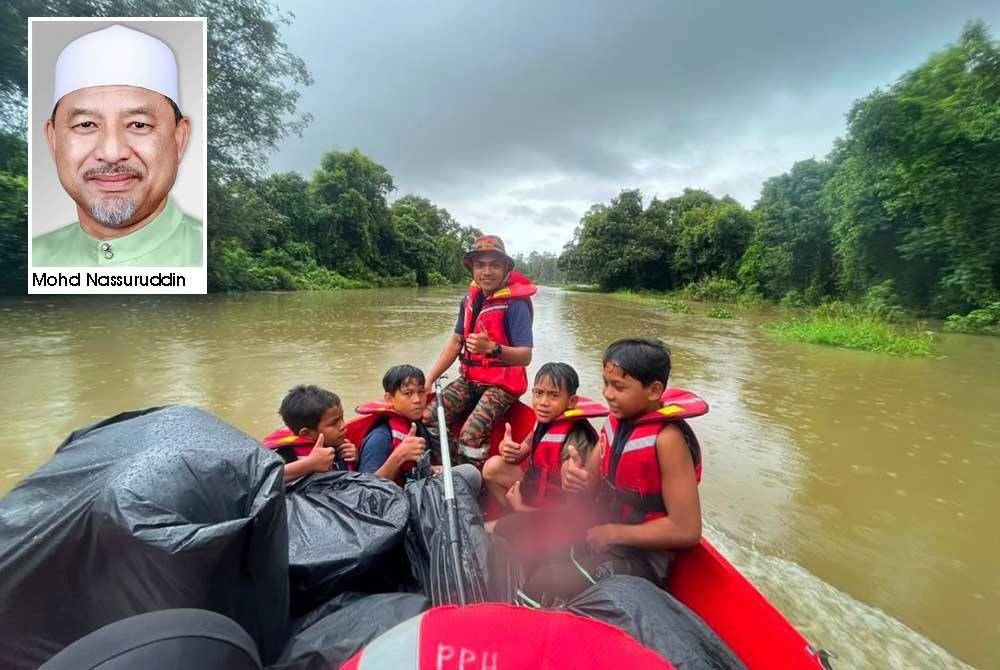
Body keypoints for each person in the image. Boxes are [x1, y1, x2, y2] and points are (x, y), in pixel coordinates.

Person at [518, 338, 705, 603]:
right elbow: (587, 486)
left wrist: (614, 533)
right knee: (521, 541)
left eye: (618, 387)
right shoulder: (616, 422)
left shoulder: (668, 439)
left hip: (641, 557)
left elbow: (686, 529)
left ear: (653, 391)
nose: (607, 394)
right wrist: (575, 478)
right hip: (603, 531)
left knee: (544, 581)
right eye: (606, 383)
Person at [33, 24, 202, 267]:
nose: (112, 153)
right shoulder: (30, 261)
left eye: (138, 125)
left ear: (179, 139)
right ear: (53, 140)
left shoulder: (207, 259)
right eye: (86, 124)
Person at [423, 235, 536, 464]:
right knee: (430, 416)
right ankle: (450, 469)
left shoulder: (516, 305)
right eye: (480, 265)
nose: (486, 271)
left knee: (470, 434)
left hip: (502, 385)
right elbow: (456, 342)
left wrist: (493, 349)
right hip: (470, 379)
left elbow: (525, 356)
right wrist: (430, 379)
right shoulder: (469, 300)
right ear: (472, 269)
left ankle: (472, 482)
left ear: (506, 269)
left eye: (494, 265)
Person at [482, 362, 605, 513]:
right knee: (492, 466)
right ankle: (513, 518)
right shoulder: (543, 422)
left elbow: (575, 510)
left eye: (554, 395)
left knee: (488, 529)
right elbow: (520, 453)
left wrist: (522, 509)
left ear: (571, 402)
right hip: (538, 488)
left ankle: (518, 518)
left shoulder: (575, 442)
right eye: (539, 393)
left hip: (558, 513)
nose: (543, 403)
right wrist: (508, 450)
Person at [357, 364, 483, 493]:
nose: (417, 400)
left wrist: (431, 469)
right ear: (389, 399)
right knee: (469, 473)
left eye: (421, 392)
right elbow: (366, 491)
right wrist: (398, 457)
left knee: (467, 475)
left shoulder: (416, 424)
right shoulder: (380, 437)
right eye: (408, 393)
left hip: (416, 490)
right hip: (397, 503)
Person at [262, 385, 358, 482]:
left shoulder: (340, 447)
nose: (343, 426)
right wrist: (310, 464)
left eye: (342, 418)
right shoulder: (286, 455)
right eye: (334, 423)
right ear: (306, 434)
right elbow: (262, 480)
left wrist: (356, 459)